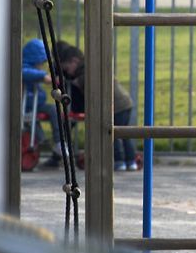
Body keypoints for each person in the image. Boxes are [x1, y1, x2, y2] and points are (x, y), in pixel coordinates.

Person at [55, 42, 139, 171]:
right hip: (124, 103)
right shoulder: (91, 65)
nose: (67, 71)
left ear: (74, 61)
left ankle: (120, 161)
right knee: (123, 133)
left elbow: (88, 87)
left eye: (67, 68)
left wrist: (75, 83)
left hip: (116, 105)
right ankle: (131, 161)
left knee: (113, 133)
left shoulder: (85, 73)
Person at [21, 39, 63, 168]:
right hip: (26, 105)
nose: (42, 65)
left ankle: (56, 142)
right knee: (34, 120)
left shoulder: (32, 68)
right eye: (41, 62)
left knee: (54, 110)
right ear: (35, 59)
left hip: (36, 105)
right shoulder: (24, 67)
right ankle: (49, 142)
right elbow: (25, 72)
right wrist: (42, 75)